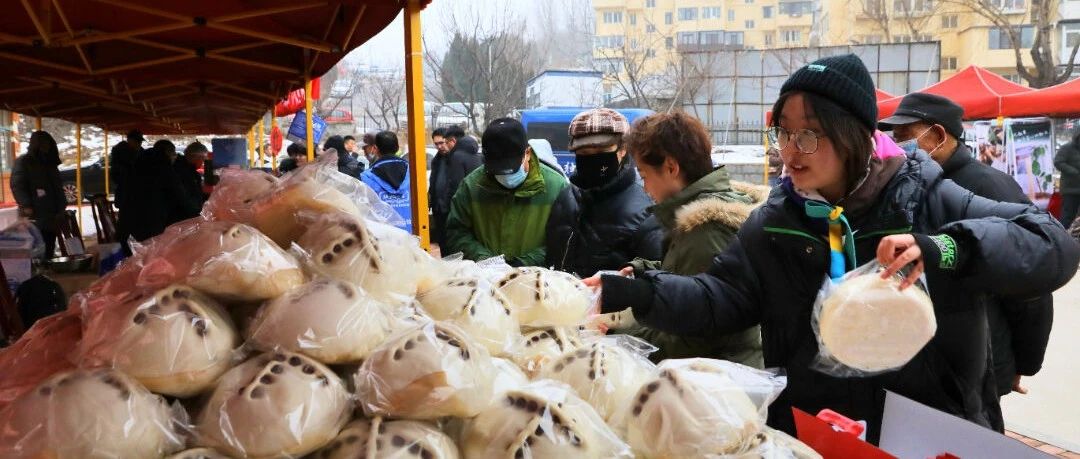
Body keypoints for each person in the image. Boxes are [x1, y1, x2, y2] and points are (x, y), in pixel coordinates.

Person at [591, 54, 1080, 442]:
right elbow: (721, 299)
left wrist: (947, 250)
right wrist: (633, 292)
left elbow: (1049, 244)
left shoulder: (928, 198)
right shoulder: (774, 224)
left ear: (853, 134)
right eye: (783, 130)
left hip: (926, 432)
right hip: (818, 433)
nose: (790, 149)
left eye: (809, 134)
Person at [880, 92, 1054, 399]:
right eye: (893, 137)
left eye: (904, 136)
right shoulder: (911, 185)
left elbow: (1030, 285)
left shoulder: (987, 189)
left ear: (936, 136)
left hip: (982, 358)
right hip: (930, 356)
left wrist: (1023, 361)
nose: (896, 146)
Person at [590, 112, 768, 367]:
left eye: (644, 175)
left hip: (717, 382)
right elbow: (692, 281)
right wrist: (642, 274)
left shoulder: (707, 230)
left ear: (671, 167)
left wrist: (618, 335)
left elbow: (696, 337)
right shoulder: (699, 218)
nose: (645, 187)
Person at [545, 108, 663, 278]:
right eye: (584, 153)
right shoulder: (567, 196)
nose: (592, 160)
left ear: (623, 149)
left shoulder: (646, 208)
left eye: (601, 152)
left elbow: (654, 280)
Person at [444, 118, 568, 265]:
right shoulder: (472, 187)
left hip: (537, 282)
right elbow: (456, 232)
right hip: (486, 280)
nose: (505, 177)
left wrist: (524, 264)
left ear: (527, 153)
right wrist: (486, 261)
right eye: (498, 171)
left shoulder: (556, 187)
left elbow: (564, 239)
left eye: (511, 169)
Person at [124, 140, 200, 242]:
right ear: (168, 153)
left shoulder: (138, 165)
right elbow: (181, 198)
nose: (175, 157)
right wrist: (198, 212)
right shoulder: (165, 170)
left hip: (128, 223)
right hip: (153, 226)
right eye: (174, 154)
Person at [11, 131, 66, 260]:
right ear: (37, 145)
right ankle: (39, 267)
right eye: (44, 144)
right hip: (35, 211)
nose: (46, 147)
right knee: (37, 241)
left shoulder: (50, 163)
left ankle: (47, 263)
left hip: (52, 210)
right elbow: (17, 185)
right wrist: (26, 204)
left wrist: (61, 205)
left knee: (50, 239)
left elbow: (57, 186)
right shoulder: (24, 162)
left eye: (48, 144)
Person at [429, 125, 482, 247]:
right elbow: (434, 182)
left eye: (442, 143)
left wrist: (448, 205)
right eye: (436, 144)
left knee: (454, 246)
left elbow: (456, 185)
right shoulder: (436, 160)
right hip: (439, 210)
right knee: (443, 244)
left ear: (450, 140)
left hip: (452, 210)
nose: (440, 146)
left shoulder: (457, 157)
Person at [360, 131, 412, 232]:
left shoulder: (366, 177)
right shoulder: (413, 172)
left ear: (375, 149)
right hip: (410, 233)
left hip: (383, 235)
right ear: (397, 147)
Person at [110, 129, 144, 245]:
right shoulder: (121, 153)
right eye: (137, 141)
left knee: (128, 224)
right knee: (125, 225)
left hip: (132, 195)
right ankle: (122, 247)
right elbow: (117, 175)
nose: (139, 144)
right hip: (127, 194)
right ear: (129, 140)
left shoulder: (139, 152)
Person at [174, 142, 211, 211]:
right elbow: (184, 198)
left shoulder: (189, 170)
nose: (203, 162)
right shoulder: (181, 172)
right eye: (203, 158)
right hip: (184, 215)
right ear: (195, 156)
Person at [1054, 129, 1080, 227]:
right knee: (1068, 216)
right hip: (1070, 190)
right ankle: (1062, 237)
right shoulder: (1067, 148)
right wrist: (1074, 172)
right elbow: (1058, 162)